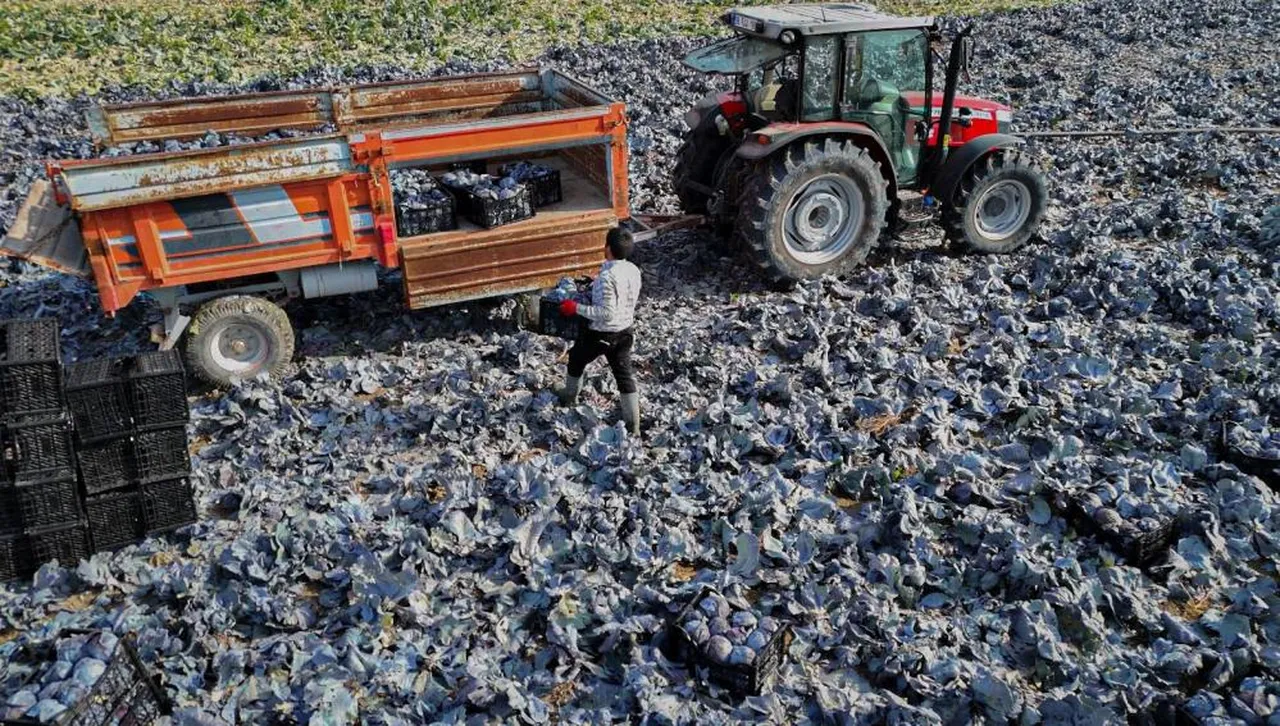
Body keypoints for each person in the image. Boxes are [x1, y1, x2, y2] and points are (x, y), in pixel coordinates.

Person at [554, 227, 642, 435]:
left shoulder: (606, 277)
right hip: (625, 331)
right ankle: (634, 426)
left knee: (576, 358)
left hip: (602, 334)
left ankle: (569, 396)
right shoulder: (633, 270)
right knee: (624, 375)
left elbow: (606, 313)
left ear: (607, 248)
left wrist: (575, 307)